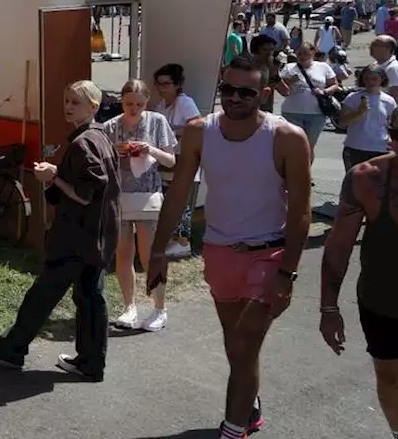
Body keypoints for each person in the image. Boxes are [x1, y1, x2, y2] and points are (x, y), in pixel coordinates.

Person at [149, 54, 312, 438]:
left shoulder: (287, 137)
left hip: (268, 253)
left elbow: (303, 212)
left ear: (265, 93)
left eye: (246, 92)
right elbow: (178, 196)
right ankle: (249, 406)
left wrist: (287, 272)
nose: (235, 98)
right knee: (235, 346)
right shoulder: (198, 131)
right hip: (220, 253)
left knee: (245, 346)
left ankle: (233, 428)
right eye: (228, 89)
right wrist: (158, 251)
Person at [0, 81, 120, 380]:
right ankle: (91, 362)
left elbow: (86, 193)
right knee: (91, 297)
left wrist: (53, 177)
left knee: (42, 295)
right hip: (98, 234)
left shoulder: (84, 143)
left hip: (76, 236)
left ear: (93, 107)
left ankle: (9, 351)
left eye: (75, 103)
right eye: (66, 101)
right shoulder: (101, 136)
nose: (68, 107)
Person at [320, 149, 398, 436]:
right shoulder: (367, 178)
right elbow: (339, 245)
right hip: (382, 301)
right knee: (390, 377)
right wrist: (329, 308)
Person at [104, 80, 176, 332]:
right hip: (120, 196)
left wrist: (151, 150)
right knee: (123, 253)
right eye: (128, 104)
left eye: (139, 104)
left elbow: (170, 160)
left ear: (147, 102)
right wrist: (116, 151)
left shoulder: (156, 121)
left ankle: (159, 308)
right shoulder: (111, 126)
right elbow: (102, 160)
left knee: (150, 254)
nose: (133, 109)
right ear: (121, 102)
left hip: (148, 196)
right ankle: (129, 307)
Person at [153, 63, 203, 259]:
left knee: (182, 203)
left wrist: (171, 132)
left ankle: (183, 242)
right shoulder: (161, 105)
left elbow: (197, 126)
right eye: (158, 83)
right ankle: (170, 240)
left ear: (177, 85)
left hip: (184, 161)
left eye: (165, 84)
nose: (161, 88)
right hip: (168, 162)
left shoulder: (184, 102)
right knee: (168, 203)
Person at [275, 42, 340, 162]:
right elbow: (280, 87)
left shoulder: (323, 67)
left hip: (316, 114)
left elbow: (335, 85)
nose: (302, 56)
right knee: (294, 146)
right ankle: (290, 173)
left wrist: (324, 91)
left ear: (313, 52)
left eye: (305, 53)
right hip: (292, 113)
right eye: (299, 53)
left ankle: (306, 174)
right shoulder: (289, 67)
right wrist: (291, 80)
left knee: (309, 146)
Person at [339, 64, 397, 171]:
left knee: (377, 185)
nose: (370, 82)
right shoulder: (352, 98)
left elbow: (393, 124)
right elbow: (342, 123)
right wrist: (359, 112)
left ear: (382, 79)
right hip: (355, 148)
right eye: (367, 78)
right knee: (355, 184)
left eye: (374, 78)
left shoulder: (389, 101)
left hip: (380, 148)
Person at [249, 35, 282, 114]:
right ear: (256, 50)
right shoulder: (247, 66)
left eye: (272, 50)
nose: (269, 53)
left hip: (265, 111)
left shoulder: (271, 67)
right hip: (248, 110)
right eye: (266, 50)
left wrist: (273, 70)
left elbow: (285, 91)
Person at [373, 35, 398, 100]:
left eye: (376, 45)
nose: (371, 47)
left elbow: (395, 96)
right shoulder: (377, 63)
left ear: (388, 49)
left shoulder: (392, 69)